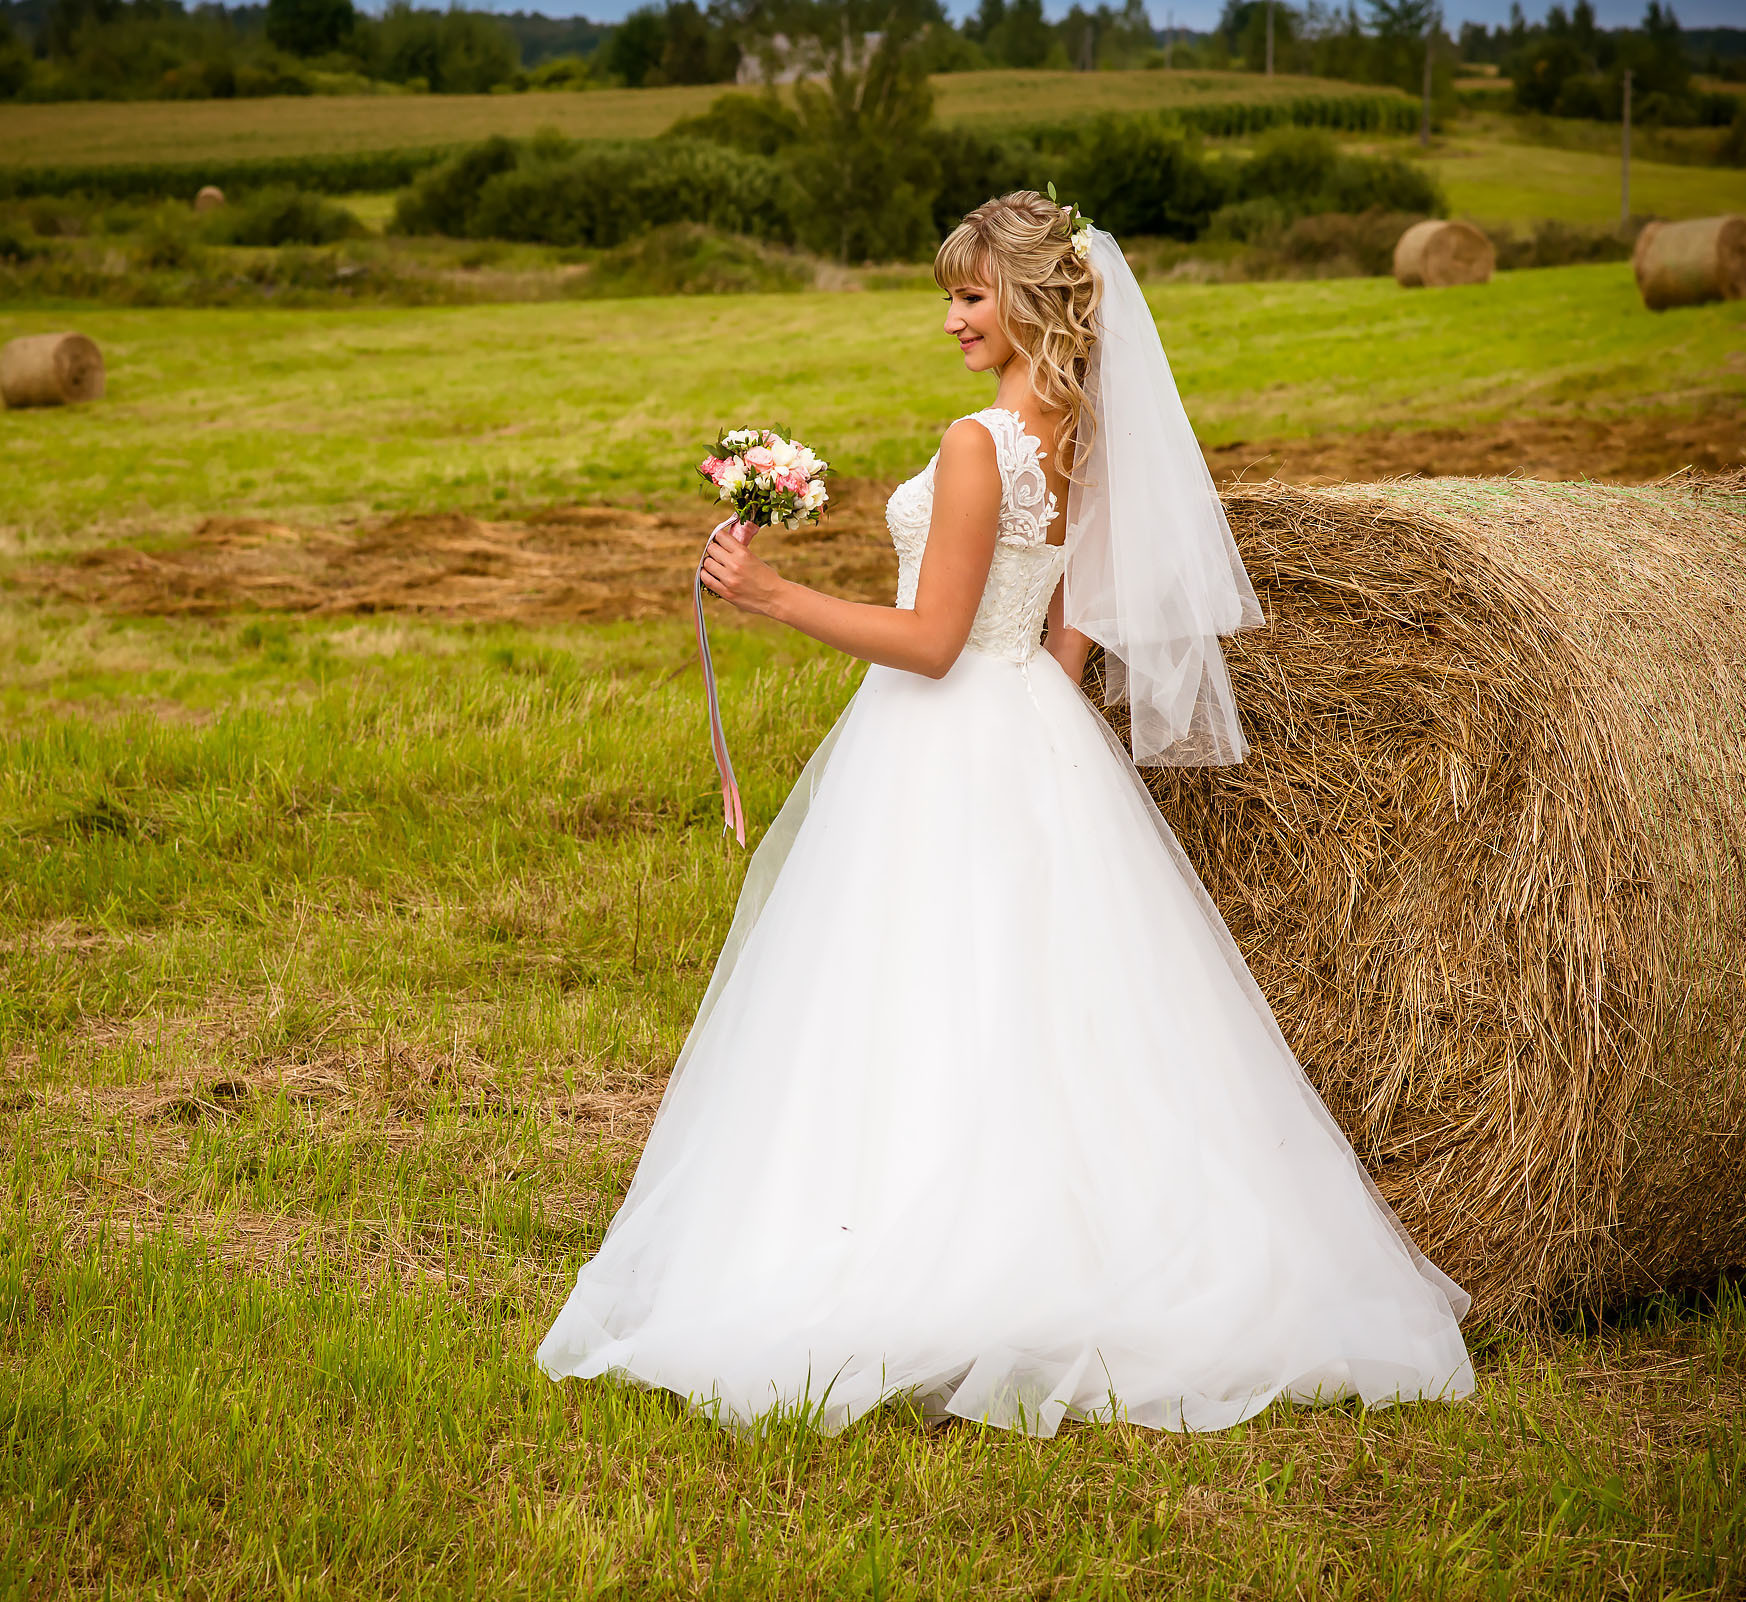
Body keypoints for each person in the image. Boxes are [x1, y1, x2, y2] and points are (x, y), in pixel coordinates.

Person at [535, 191, 1476, 1438]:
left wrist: (769, 593)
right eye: (950, 295)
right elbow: (1079, 592)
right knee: (1044, 1001)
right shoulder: (1080, 430)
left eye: (973, 296)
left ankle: (932, 1260)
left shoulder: (982, 442)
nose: (951, 320)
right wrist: (1052, 699)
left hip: (946, 726)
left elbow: (930, 643)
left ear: (1035, 298)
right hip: (1024, 722)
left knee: (913, 998)